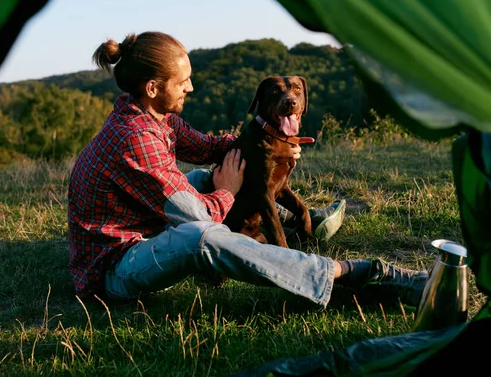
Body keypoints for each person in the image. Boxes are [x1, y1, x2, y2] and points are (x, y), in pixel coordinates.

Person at [67, 31, 428, 308]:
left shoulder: (153, 117)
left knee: (203, 178)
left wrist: (272, 142)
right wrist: (225, 190)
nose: (190, 88)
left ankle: (290, 218)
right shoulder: (135, 138)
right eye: (183, 82)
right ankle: (349, 274)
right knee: (201, 236)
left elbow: (208, 147)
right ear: (152, 87)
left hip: (145, 226)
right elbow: (199, 217)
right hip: (114, 268)